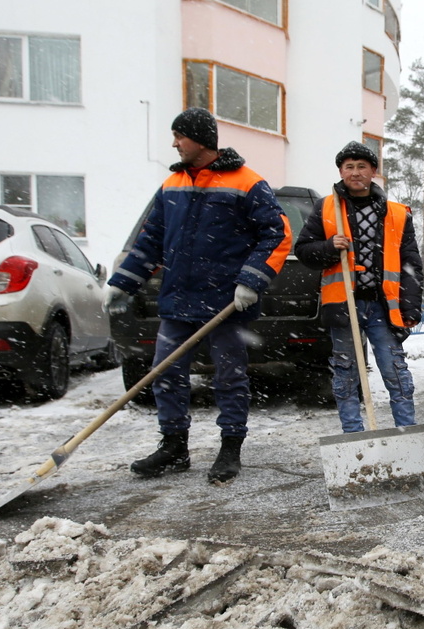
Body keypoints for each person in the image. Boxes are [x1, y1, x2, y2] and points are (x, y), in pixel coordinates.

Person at [103, 107, 291, 484]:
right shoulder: (171, 186)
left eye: (179, 136)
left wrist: (250, 280)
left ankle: (230, 448)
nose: (174, 144)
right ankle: (174, 447)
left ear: (200, 140)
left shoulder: (246, 182)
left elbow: (277, 233)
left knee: (229, 377)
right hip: (178, 300)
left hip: (225, 303)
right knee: (166, 373)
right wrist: (121, 283)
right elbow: (151, 239)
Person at [293, 141, 423, 433]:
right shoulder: (326, 208)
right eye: (349, 167)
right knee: (346, 372)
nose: (355, 172)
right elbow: (303, 250)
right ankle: (353, 435)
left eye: (361, 166)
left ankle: (407, 433)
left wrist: (411, 305)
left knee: (395, 370)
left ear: (373, 171)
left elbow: (411, 263)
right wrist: (329, 246)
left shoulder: (397, 214)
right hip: (343, 305)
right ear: (341, 171)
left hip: (383, 306)